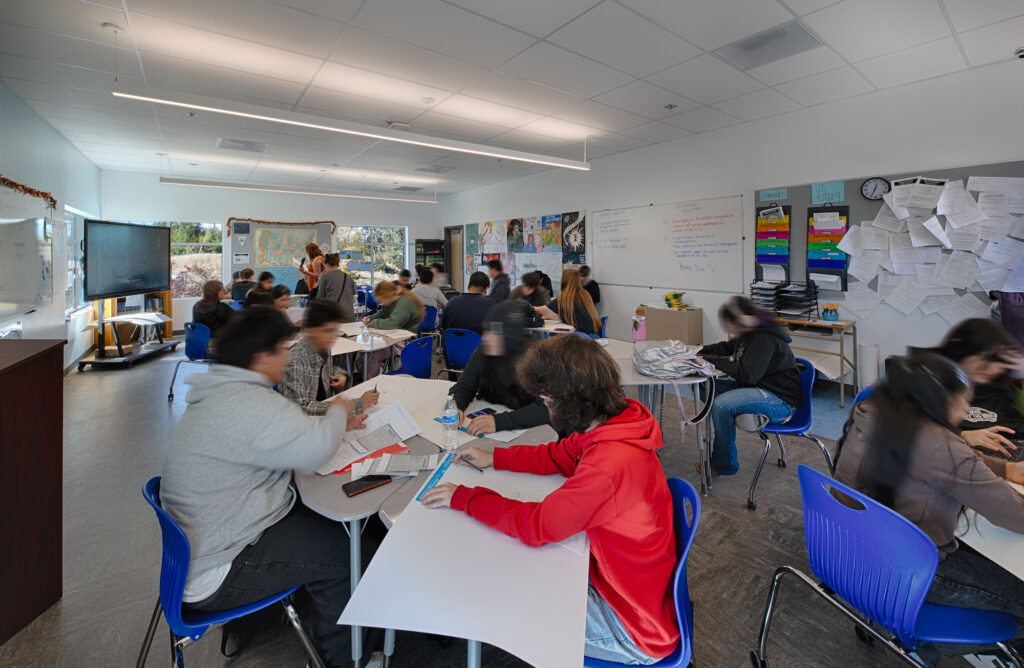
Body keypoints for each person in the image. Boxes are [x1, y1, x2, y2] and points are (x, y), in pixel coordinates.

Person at [421, 335, 679, 665]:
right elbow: (559, 455)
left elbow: (536, 526)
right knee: (522, 564)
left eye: (547, 399)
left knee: (502, 590)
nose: (545, 405)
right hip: (626, 582)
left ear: (571, 400)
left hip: (631, 627)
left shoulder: (608, 465)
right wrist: (495, 457)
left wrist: (466, 497)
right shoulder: (617, 423)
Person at [160, 307, 370, 667]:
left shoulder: (220, 393)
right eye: (284, 349)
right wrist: (339, 409)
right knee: (349, 557)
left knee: (324, 523)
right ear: (262, 356)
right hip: (222, 564)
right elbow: (314, 450)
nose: (289, 356)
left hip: (203, 545)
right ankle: (344, 660)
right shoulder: (252, 403)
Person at [833, 352, 1024, 663]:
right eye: (963, 402)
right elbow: (1014, 515)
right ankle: (930, 646)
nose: (966, 410)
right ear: (939, 403)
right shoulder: (940, 447)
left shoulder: (874, 412)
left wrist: (1006, 470)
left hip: (854, 553)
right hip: (913, 569)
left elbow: (944, 459)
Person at [698, 296, 801, 476]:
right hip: (760, 391)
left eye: (731, 325)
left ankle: (724, 464)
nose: (731, 330)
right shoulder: (750, 332)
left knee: (721, 405)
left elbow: (748, 374)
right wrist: (697, 351)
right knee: (706, 387)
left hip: (780, 401)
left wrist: (707, 360)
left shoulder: (764, 337)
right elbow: (725, 348)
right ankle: (726, 434)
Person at [928, 318, 1024, 460]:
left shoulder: (1002, 384)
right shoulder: (931, 381)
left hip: (1009, 454)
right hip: (957, 456)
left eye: (999, 360)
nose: (993, 368)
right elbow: (910, 431)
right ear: (962, 350)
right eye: (986, 358)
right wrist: (962, 436)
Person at [448, 302, 549, 436]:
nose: (486, 338)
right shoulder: (484, 351)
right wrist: (456, 406)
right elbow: (465, 386)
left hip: (529, 433)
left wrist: (498, 422)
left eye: (494, 332)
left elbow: (547, 408)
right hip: (497, 429)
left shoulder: (535, 360)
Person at [279, 299, 379, 416]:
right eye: (328, 331)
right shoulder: (295, 361)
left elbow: (329, 369)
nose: (334, 336)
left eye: (335, 330)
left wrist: (341, 376)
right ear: (312, 330)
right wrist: (356, 405)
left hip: (325, 417)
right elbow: (300, 410)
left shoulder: (322, 347)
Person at [361, 281, 425, 377]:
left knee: (373, 354)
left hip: (406, 341)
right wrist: (371, 318)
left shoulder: (404, 302)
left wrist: (372, 323)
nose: (381, 302)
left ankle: (369, 382)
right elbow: (382, 313)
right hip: (394, 338)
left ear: (387, 295)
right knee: (364, 352)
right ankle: (362, 376)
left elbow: (393, 323)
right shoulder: (391, 300)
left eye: (381, 300)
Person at [537, 269, 600, 336]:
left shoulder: (566, 298)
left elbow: (540, 310)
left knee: (551, 336)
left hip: (582, 338)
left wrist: (526, 305)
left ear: (564, 281)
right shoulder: (585, 294)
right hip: (594, 334)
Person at [316, 253, 356, 323]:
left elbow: (319, 299)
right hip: (349, 316)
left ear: (326, 264)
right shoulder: (348, 277)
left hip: (334, 317)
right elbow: (354, 297)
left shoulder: (324, 277)